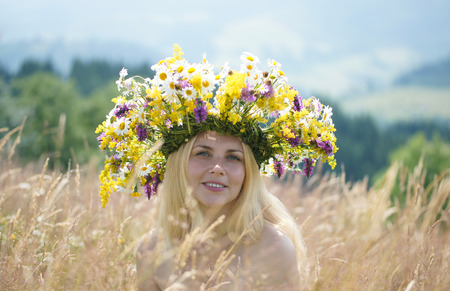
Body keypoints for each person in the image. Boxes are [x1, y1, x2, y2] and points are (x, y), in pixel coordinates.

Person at [96, 45, 338, 290]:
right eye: (203, 153)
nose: (217, 168)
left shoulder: (274, 249)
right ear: (179, 165)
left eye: (233, 158)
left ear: (247, 174)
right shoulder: (152, 250)